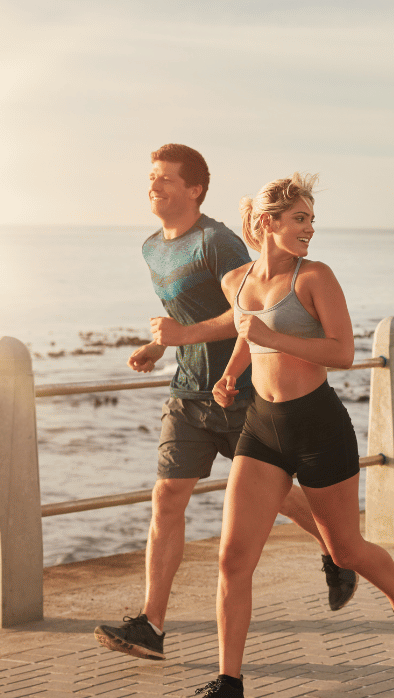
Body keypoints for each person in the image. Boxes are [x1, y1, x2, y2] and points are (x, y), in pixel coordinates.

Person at [177, 173, 394, 698]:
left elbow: (342, 352)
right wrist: (230, 373)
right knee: (232, 558)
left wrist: (271, 339)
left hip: (318, 426)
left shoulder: (316, 277)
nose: (309, 229)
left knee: (345, 550)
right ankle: (230, 685)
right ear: (268, 223)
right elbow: (247, 331)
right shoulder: (237, 280)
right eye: (299, 219)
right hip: (262, 427)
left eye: (312, 220)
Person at [94, 145, 353, 664]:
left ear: (194, 190)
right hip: (189, 392)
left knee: (277, 497)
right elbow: (181, 313)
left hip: (243, 393)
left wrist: (188, 338)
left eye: (165, 178)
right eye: (151, 177)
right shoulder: (152, 247)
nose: (154, 185)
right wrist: (160, 343)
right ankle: (152, 624)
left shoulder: (218, 241)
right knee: (167, 497)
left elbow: (249, 309)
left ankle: (337, 548)